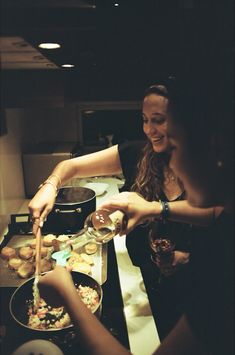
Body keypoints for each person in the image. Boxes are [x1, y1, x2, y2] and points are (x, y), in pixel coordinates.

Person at [38, 64, 233, 354]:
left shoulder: (221, 271)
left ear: (213, 145)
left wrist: (68, 293)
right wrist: (51, 184)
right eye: (144, 120)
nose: (173, 163)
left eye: (177, 145)